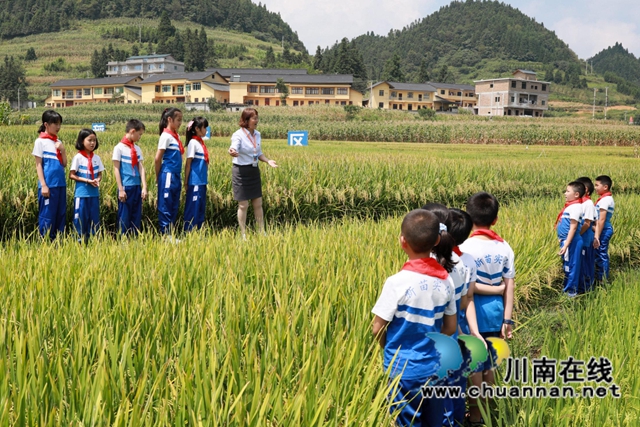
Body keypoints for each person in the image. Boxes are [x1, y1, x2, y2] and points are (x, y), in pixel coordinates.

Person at [372, 209, 457, 427]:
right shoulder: (446, 281)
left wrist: (390, 348)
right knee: (434, 421)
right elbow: (450, 327)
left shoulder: (396, 282)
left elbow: (377, 327)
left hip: (403, 370)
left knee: (406, 422)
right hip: (436, 367)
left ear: (402, 241)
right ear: (437, 240)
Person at [459, 192, 516, 426]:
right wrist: (508, 319)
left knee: (475, 366)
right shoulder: (505, 247)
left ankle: (475, 416)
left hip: (471, 314)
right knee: (490, 364)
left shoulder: (464, 246)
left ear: (469, 219)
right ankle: (489, 410)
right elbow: (509, 285)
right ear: (495, 219)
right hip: (496, 313)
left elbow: (467, 289)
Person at [421, 203, 466, 427]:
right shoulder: (459, 264)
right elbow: (463, 303)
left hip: (429, 341)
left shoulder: (422, 267)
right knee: (452, 387)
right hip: (451, 335)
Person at [228, 108, 278, 238]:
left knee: (258, 203)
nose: (256, 120)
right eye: (254, 118)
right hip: (241, 171)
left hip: (253, 170)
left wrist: (268, 161)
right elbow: (234, 146)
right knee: (243, 204)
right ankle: (243, 234)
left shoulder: (257, 134)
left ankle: (261, 231)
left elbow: (258, 153)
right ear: (246, 120)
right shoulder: (238, 135)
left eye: (257, 118)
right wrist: (232, 151)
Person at [32, 110, 67, 240]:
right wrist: (44, 185)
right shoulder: (40, 142)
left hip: (60, 184)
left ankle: (59, 241)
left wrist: (62, 150)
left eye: (59, 124)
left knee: (60, 214)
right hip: (48, 185)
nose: (58, 127)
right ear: (46, 124)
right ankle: (46, 241)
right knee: (47, 215)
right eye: (55, 124)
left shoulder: (58, 141)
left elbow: (64, 164)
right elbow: (38, 165)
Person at [69, 129, 105, 243]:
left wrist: (97, 180)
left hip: (94, 194)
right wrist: (87, 181)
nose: (92, 143)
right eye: (89, 140)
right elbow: (72, 175)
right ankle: (79, 242)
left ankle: (93, 241)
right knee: (80, 219)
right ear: (82, 141)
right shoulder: (78, 158)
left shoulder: (97, 158)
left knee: (94, 219)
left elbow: (100, 174)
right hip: (81, 194)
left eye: (94, 140)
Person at [113, 119, 147, 236]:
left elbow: (141, 168)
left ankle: (133, 239)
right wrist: (121, 189)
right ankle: (122, 239)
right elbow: (116, 169)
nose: (140, 137)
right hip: (126, 187)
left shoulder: (137, 149)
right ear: (132, 131)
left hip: (136, 187)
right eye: (139, 134)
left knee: (136, 215)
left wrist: (144, 187)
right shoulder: (119, 148)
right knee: (124, 215)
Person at [155, 108, 183, 235]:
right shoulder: (165, 136)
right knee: (165, 204)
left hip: (176, 175)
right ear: (169, 119)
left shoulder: (176, 137)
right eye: (178, 120)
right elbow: (157, 158)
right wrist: (158, 177)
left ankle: (171, 232)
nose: (180, 123)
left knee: (174, 204)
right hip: (168, 174)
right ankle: (166, 234)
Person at [556, 181, 585, 296]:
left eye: (568, 191)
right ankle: (568, 288)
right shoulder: (571, 207)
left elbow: (573, 228)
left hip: (572, 242)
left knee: (572, 266)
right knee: (568, 265)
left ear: (576, 194)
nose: (565, 193)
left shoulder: (576, 207)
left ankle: (571, 292)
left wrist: (566, 244)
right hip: (568, 241)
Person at [184, 117, 210, 231]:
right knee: (193, 208)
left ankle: (198, 230)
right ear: (197, 129)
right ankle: (189, 232)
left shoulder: (200, 143)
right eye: (204, 127)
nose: (206, 130)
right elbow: (188, 163)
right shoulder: (193, 143)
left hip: (202, 181)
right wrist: (186, 182)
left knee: (200, 207)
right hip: (194, 181)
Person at [576, 177, 596, 293]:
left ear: (586, 189)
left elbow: (587, 223)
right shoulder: (581, 203)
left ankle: (587, 289)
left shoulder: (588, 204)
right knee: (582, 263)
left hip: (585, 240)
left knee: (586, 264)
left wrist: (576, 235)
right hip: (582, 239)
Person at [593, 175, 615, 283]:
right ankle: (600, 277)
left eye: (597, 185)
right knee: (599, 253)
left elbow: (601, 219)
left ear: (605, 187)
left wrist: (597, 235)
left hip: (604, 230)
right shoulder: (604, 199)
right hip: (601, 230)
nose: (595, 187)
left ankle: (603, 280)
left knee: (601, 254)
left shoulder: (605, 200)